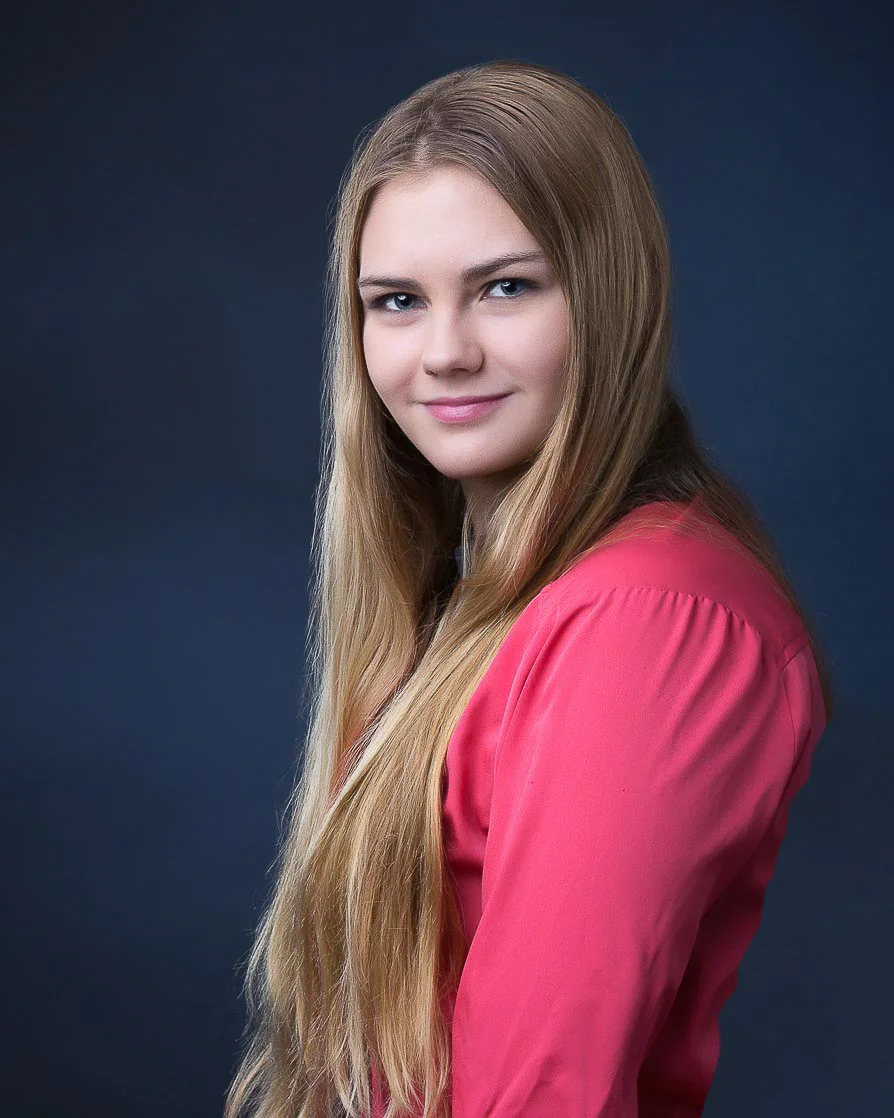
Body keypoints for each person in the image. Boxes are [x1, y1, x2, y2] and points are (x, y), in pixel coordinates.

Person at [225, 60, 834, 1118]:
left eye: (506, 287)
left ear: (609, 295)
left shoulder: (647, 617)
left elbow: (546, 1089)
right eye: (397, 302)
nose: (444, 353)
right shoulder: (491, 597)